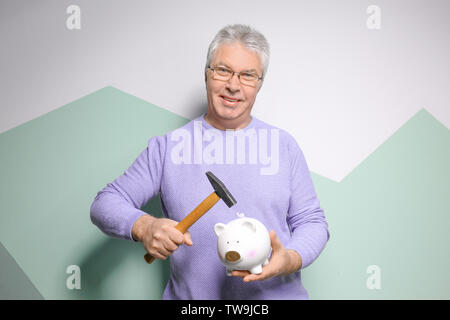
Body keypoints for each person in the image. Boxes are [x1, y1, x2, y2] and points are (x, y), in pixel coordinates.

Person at [90, 24, 329, 299]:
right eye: (223, 70)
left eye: (248, 75)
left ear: (259, 84)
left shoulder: (283, 146)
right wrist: (144, 226)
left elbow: (312, 222)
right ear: (207, 74)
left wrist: (290, 258)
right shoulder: (169, 148)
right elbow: (105, 202)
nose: (233, 85)